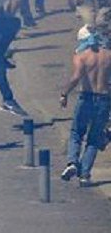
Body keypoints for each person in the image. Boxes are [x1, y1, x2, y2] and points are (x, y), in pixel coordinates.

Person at [60, 24, 111, 187]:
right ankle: (85, 175)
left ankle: (72, 162)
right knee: (94, 138)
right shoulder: (108, 55)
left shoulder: (81, 56)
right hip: (103, 98)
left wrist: (64, 94)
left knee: (76, 132)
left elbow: (75, 78)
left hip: (86, 97)